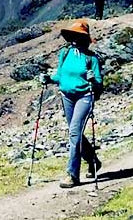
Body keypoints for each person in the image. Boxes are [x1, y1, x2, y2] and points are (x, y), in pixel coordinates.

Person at [40, 19, 103, 188]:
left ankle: (72, 175)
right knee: (76, 133)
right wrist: (48, 79)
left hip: (85, 96)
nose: (75, 39)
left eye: (79, 36)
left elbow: (98, 82)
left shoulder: (92, 58)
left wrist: (93, 79)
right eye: (73, 35)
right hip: (66, 96)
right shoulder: (65, 54)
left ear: (85, 38)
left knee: (74, 131)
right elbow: (60, 76)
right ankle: (93, 161)